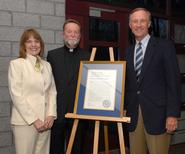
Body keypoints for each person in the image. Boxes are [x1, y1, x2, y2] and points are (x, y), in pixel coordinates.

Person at [124, 8, 181, 154]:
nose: (138, 24)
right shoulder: (128, 51)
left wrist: (172, 114)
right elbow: (128, 83)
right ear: (130, 25)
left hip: (159, 116)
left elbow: (173, 83)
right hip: (133, 114)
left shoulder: (164, 47)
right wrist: (123, 106)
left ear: (149, 24)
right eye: (135, 21)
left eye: (142, 21)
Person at [8, 28, 57, 154]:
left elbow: (52, 91)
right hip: (26, 122)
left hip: (46, 122)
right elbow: (16, 95)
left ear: (41, 44)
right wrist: (35, 120)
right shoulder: (17, 64)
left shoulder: (47, 65)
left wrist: (51, 114)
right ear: (23, 45)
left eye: (36, 41)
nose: (33, 45)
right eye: (29, 42)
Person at [47, 19, 90, 154]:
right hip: (57, 111)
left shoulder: (88, 56)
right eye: (69, 31)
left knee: (77, 148)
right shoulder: (52, 55)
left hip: (79, 112)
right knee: (55, 148)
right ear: (63, 34)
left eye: (76, 32)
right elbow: (48, 84)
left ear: (80, 36)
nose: (72, 34)